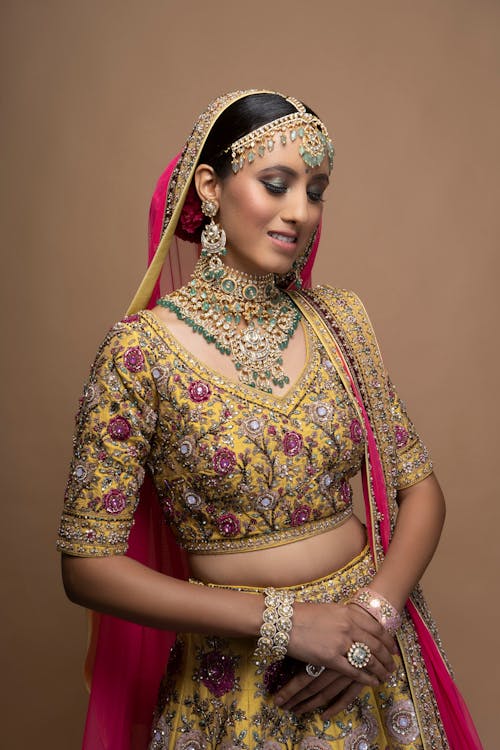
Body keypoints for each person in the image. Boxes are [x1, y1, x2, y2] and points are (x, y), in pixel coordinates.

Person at [57, 90, 482, 750]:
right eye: (277, 184)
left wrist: (371, 616)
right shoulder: (139, 353)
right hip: (234, 688)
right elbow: (88, 565)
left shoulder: (340, 325)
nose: (300, 212)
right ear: (210, 187)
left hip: (367, 670)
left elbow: (421, 489)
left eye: (316, 190)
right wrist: (288, 623)